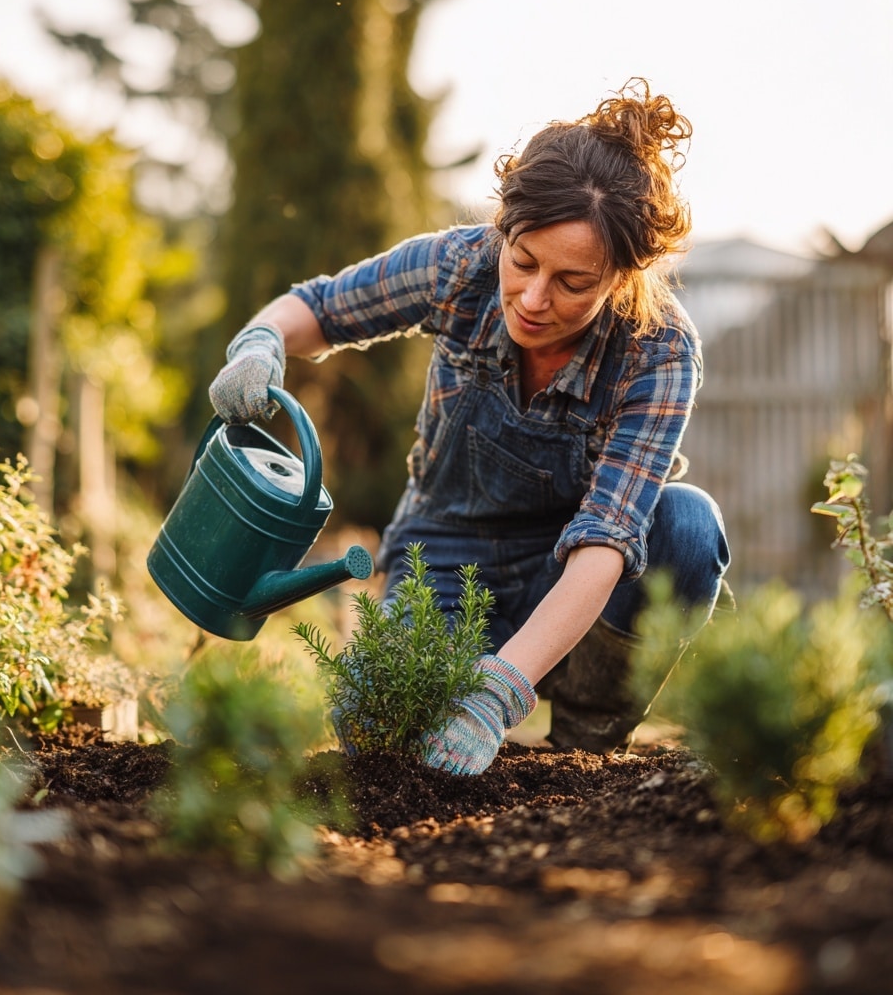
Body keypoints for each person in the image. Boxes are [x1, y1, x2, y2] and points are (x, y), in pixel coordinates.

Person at [208, 77, 731, 775]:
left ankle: (583, 744)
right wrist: (260, 343)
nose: (534, 298)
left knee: (687, 526)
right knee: (380, 735)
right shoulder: (460, 268)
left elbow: (607, 539)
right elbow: (322, 309)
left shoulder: (657, 350)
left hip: (573, 579)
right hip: (446, 558)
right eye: (524, 262)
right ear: (503, 233)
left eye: (573, 283)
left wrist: (499, 691)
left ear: (620, 280)